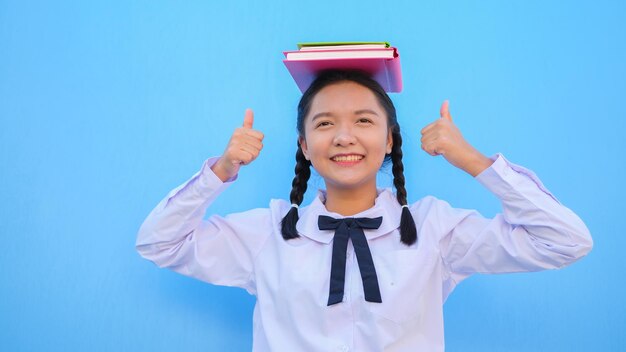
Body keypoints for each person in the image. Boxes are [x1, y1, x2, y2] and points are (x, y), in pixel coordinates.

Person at [136, 69, 593, 351]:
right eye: (325, 123)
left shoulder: (435, 229)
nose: (344, 137)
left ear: (390, 140)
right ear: (305, 146)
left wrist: (472, 160)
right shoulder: (267, 233)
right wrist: (220, 169)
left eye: (364, 121)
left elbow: (566, 241)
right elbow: (158, 242)